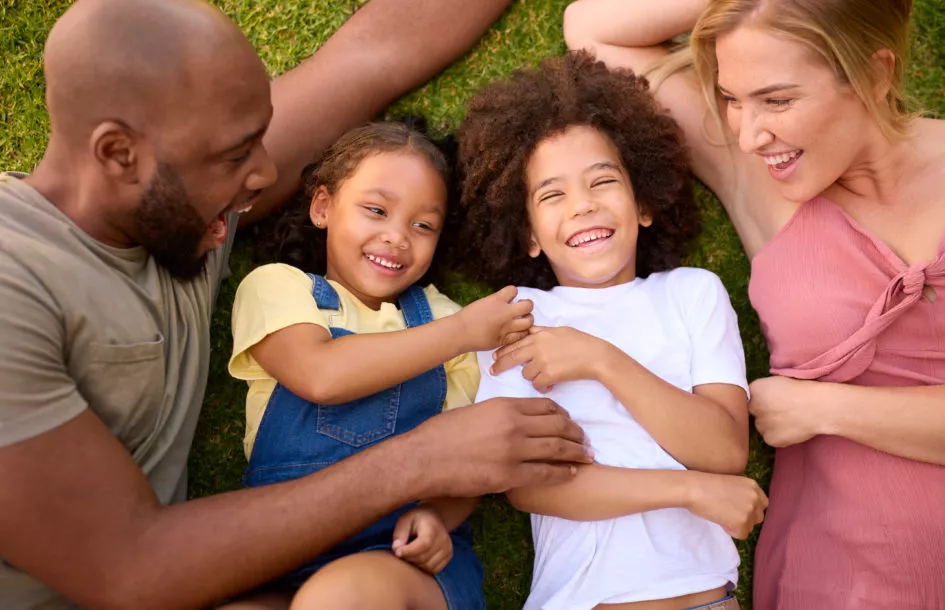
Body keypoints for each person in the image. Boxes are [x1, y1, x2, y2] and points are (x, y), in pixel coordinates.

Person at [0, 1, 595, 609]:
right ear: (119, 155)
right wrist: (422, 459)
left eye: (260, 139)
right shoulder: (13, 282)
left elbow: (373, 56)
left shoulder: (184, 212)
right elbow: (125, 570)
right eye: (237, 155)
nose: (265, 175)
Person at [563, 0, 945, 607]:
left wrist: (826, 408)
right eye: (732, 99)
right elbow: (593, 31)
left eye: (777, 100)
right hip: (840, 577)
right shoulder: (757, 176)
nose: (747, 133)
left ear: (875, 73)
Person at [456, 52, 768, 610]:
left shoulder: (692, 293)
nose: (583, 205)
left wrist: (599, 358)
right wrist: (690, 490)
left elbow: (723, 450)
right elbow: (526, 483)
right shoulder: (517, 313)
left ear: (643, 203)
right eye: (552, 194)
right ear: (527, 232)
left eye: (603, 181)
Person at [222, 121, 534, 609]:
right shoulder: (280, 288)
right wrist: (463, 334)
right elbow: (319, 374)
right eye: (376, 210)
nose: (396, 237)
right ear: (323, 207)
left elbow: (471, 456)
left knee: (338, 599)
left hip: (400, 557)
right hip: (280, 547)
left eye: (422, 225)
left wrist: (439, 516)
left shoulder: (445, 317)